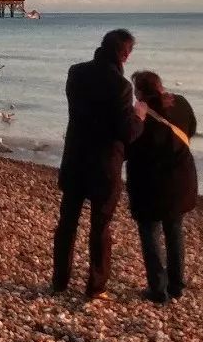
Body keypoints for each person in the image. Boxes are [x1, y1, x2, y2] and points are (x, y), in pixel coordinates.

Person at [52, 29, 147, 299]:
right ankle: (95, 286)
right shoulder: (121, 86)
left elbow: (81, 111)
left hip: (75, 158)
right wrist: (139, 116)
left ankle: (59, 281)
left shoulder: (76, 73)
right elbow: (126, 131)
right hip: (104, 165)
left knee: (67, 223)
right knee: (100, 226)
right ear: (125, 54)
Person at [126, 70, 198, 303]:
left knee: (150, 233)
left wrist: (137, 118)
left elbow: (129, 146)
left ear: (139, 92)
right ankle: (176, 285)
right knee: (174, 231)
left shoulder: (139, 115)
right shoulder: (182, 103)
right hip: (180, 178)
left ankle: (158, 289)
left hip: (149, 183)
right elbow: (191, 129)